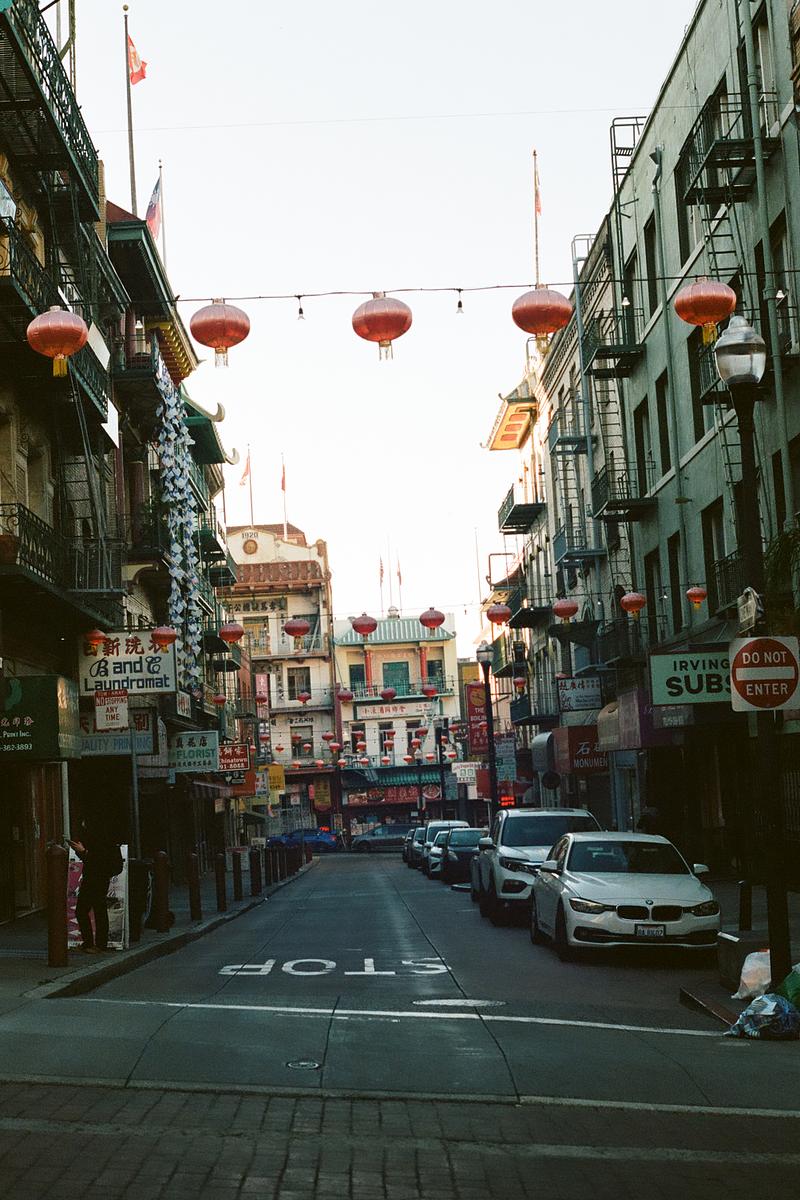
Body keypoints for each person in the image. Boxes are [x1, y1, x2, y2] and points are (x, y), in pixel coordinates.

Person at [68, 824, 123, 953]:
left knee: (88, 910)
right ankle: (95, 943)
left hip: (96, 877)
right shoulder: (106, 836)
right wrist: (82, 852)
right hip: (98, 876)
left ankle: (94, 944)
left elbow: (97, 860)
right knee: (97, 909)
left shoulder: (101, 840)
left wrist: (83, 852)